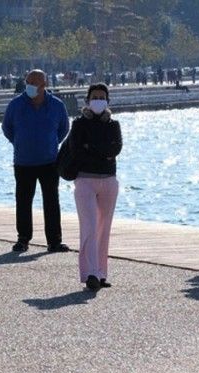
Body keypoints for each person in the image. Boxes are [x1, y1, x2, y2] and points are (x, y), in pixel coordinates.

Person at [2, 69, 70, 253]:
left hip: (49, 161)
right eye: (28, 82)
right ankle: (23, 239)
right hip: (23, 162)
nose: (30, 85)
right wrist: (18, 142)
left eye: (34, 82)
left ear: (44, 85)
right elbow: (7, 127)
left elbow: (64, 128)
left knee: (51, 201)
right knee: (23, 201)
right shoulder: (16, 104)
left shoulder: (56, 105)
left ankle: (54, 241)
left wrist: (52, 143)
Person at [68, 84, 122, 291]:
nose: (98, 100)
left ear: (108, 100)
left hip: (109, 180)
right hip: (85, 180)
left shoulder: (113, 125)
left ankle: (101, 272)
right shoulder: (79, 124)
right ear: (88, 100)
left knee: (103, 228)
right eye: (95, 97)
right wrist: (102, 151)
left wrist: (92, 147)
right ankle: (89, 273)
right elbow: (77, 151)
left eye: (102, 97)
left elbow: (116, 148)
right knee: (89, 226)